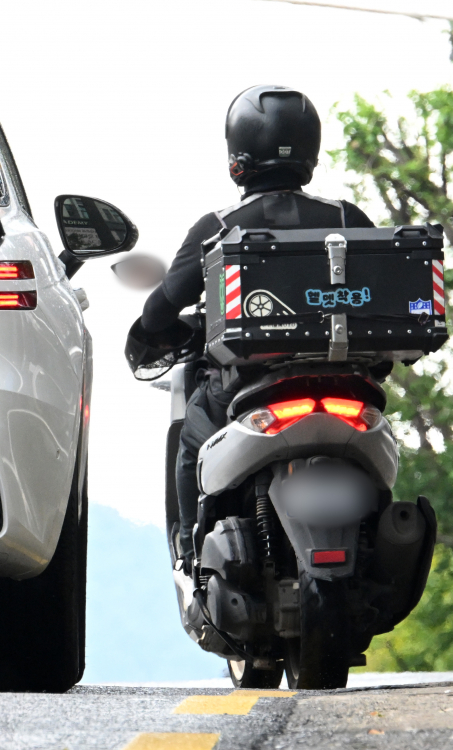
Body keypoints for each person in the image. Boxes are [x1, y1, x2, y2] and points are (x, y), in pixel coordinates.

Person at [130, 85, 380, 565]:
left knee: (191, 438)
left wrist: (154, 327)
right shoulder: (350, 217)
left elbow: (160, 312)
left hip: (243, 390)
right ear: (311, 149)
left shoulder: (218, 226)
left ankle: (190, 550)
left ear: (237, 155)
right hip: (350, 384)